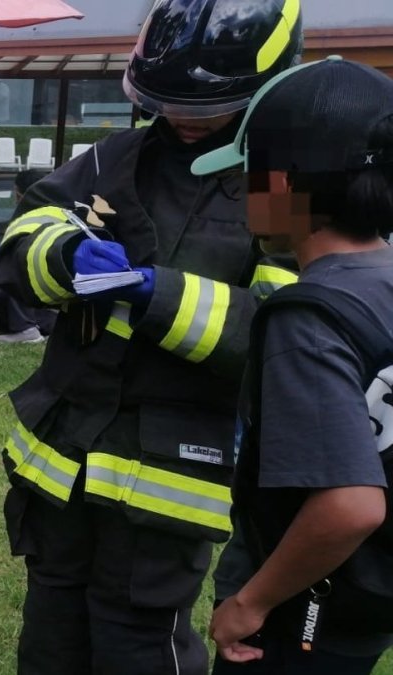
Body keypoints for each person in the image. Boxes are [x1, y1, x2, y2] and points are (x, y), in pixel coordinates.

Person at [0, 0, 303, 672]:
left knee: (138, 644)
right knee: (49, 639)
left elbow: (282, 330)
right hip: (62, 461)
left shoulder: (276, 187)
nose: (181, 118)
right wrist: (63, 257)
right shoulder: (113, 159)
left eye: (203, 105)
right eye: (167, 101)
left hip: (166, 478)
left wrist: (155, 293)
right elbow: (23, 233)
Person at [194, 58, 393, 674]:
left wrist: (250, 604)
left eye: (247, 176)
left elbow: (352, 504)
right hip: (371, 601)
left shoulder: (306, 316)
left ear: (281, 184)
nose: (241, 192)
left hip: (300, 616)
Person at [0, 169, 56, 344]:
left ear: (24, 194)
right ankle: (46, 326)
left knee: (11, 276)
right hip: (49, 294)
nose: (15, 199)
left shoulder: (30, 220)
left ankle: (26, 329)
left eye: (16, 193)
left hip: (41, 287)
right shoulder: (55, 212)